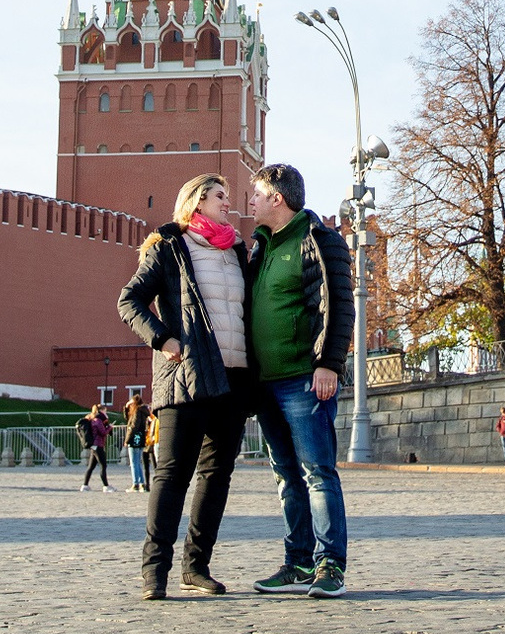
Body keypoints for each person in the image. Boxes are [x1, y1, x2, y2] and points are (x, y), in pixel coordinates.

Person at [117, 171, 253, 601]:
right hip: (186, 375)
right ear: (195, 202)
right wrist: (162, 337)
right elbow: (129, 300)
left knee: (217, 475)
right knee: (173, 474)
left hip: (232, 378)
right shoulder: (169, 248)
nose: (226, 201)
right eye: (218, 195)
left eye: (227, 195)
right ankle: (154, 571)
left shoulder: (235, 250)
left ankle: (196, 566)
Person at [242, 162, 355, 599]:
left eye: (255, 194)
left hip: (305, 380)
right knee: (286, 476)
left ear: (277, 197)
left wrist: (328, 362)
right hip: (267, 385)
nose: (249, 201)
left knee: (318, 474)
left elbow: (338, 305)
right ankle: (298, 562)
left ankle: (331, 566)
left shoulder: (318, 240)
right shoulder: (261, 248)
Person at [79, 404, 115, 490]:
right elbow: (102, 432)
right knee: (103, 465)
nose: (106, 413)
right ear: (101, 410)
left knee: (91, 466)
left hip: (93, 445)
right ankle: (106, 486)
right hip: (98, 445)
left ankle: (85, 485)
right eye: (105, 411)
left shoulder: (92, 419)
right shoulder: (98, 420)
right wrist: (109, 427)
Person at [123, 391, 151, 491]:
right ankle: (142, 483)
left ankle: (136, 483)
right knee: (138, 462)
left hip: (134, 438)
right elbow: (127, 418)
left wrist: (127, 440)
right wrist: (126, 408)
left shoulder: (137, 411)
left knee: (134, 462)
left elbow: (133, 426)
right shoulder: (143, 411)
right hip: (141, 437)